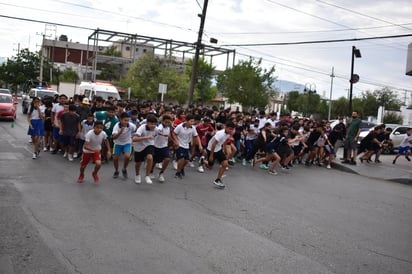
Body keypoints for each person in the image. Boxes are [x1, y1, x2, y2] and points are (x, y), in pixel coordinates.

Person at [204, 121, 235, 188]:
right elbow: (213, 144)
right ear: (225, 127)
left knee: (225, 163)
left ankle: (218, 180)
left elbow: (223, 141)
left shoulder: (228, 134)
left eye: (232, 129)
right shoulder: (220, 134)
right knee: (210, 167)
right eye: (229, 129)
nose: (230, 130)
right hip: (211, 149)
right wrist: (211, 155)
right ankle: (203, 161)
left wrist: (224, 149)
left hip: (218, 149)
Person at [172, 114, 203, 179]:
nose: (192, 123)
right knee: (181, 158)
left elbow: (196, 136)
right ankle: (178, 173)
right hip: (179, 145)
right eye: (191, 121)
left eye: (193, 121)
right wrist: (176, 141)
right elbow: (174, 134)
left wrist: (200, 145)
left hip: (186, 145)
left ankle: (181, 168)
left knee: (186, 161)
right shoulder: (180, 127)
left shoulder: (193, 128)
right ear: (186, 121)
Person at [132, 114, 158, 184]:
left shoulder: (156, 129)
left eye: (155, 124)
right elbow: (134, 139)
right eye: (151, 124)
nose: (153, 126)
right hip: (139, 147)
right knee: (138, 163)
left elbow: (157, 135)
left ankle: (147, 176)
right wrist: (146, 137)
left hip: (149, 145)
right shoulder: (141, 128)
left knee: (150, 158)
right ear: (147, 123)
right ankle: (137, 175)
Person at [112, 112, 136, 179]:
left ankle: (124, 169)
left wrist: (134, 137)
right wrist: (120, 132)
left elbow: (136, 130)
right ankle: (116, 171)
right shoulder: (116, 126)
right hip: (117, 143)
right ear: (120, 119)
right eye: (125, 120)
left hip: (127, 142)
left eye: (128, 120)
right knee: (115, 158)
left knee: (127, 156)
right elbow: (114, 137)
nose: (126, 122)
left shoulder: (131, 125)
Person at [153, 115, 172, 182]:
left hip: (164, 146)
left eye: (168, 122)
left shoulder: (168, 128)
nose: (167, 124)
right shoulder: (160, 126)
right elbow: (158, 131)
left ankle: (161, 173)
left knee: (167, 159)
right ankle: (151, 171)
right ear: (163, 121)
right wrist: (162, 134)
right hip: (156, 146)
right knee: (154, 161)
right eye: (166, 122)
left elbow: (169, 136)